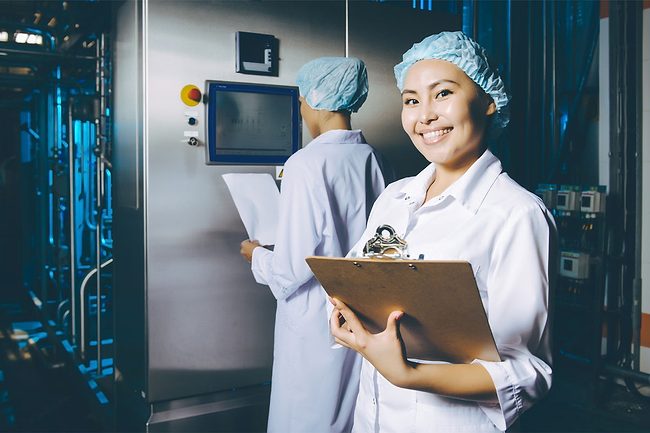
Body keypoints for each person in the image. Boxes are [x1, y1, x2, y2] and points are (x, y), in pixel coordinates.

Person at [329, 32, 556, 433]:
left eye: (443, 93)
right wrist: (347, 315)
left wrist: (409, 375)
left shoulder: (516, 214)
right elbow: (355, 281)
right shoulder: (395, 196)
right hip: (372, 417)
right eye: (412, 100)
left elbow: (527, 371)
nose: (425, 115)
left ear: (488, 102)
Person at [239, 57, 390, 433]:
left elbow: (291, 271)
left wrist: (255, 254)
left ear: (317, 99)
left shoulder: (305, 163)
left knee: (304, 416)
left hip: (312, 320)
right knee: (346, 414)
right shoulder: (372, 158)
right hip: (361, 316)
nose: (302, 109)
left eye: (302, 100)